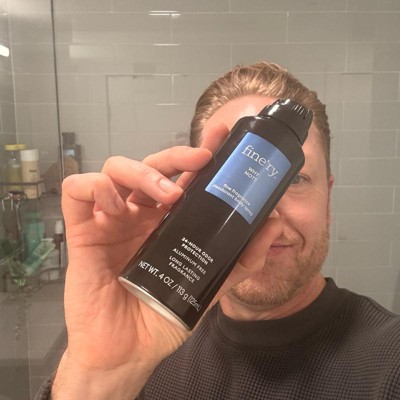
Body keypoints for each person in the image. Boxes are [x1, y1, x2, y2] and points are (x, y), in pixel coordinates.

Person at [36, 62, 400, 400]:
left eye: (295, 180)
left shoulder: (390, 366)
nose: (261, 213)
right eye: (239, 174)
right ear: (193, 186)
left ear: (328, 200)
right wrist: (96, 375)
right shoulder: (145, 343)